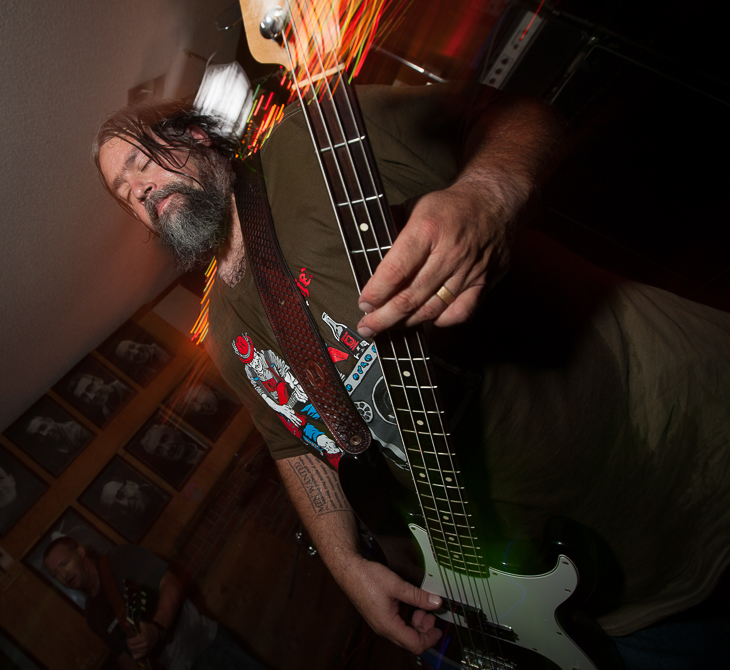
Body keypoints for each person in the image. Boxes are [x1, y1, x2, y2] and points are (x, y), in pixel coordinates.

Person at [93, 80, 730, 668]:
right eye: (125, 196)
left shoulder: (311, 140)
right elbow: (296, 445)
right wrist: (346, 565)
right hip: (579, 590)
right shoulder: (225, 335)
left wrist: (486, 196)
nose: (140, 191)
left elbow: (515, 115)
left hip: (680, 434)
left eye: (142, 162)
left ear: (196, 135)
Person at [43, 537, 267, 670]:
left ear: (80, 551)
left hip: (205, 647)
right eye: (56, 574)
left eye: (64, 563)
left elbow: (170, 584)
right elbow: (123, 657)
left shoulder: (121, 558)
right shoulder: (92, 616)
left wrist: (157, 628)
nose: (63, 574)